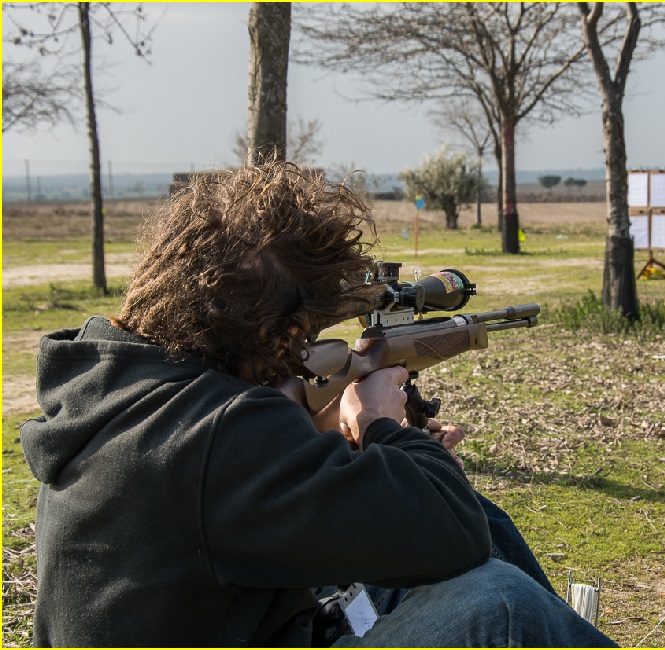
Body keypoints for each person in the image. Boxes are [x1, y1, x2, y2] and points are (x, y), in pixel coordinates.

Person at [20, 162, 617, 647]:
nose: (305, 352)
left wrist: (353, 440)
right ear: (268, 334)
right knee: (499, 605)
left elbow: (232, 503)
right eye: (302, 335)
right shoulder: (217, 434)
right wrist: (384, 425)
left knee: (476, 515)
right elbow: (448, 533)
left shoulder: (121, 389)